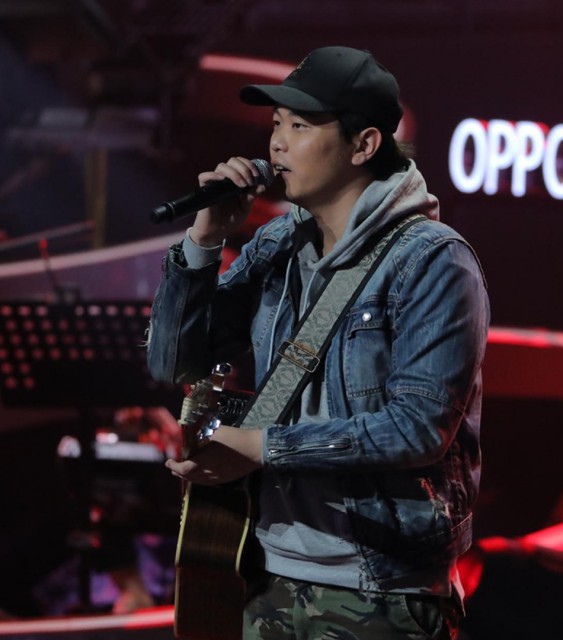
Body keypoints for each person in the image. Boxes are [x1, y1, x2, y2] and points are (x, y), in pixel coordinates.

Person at [147, 45, 490, 640]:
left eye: (300, 126)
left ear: (364, 145)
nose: (277, 144)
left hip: (380, 586)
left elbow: (417, 428)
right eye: (276, 124)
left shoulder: (433, 262)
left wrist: (263, 447)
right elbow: (173, 363)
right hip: (260, 567)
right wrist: (203, 244)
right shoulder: (277, 243)